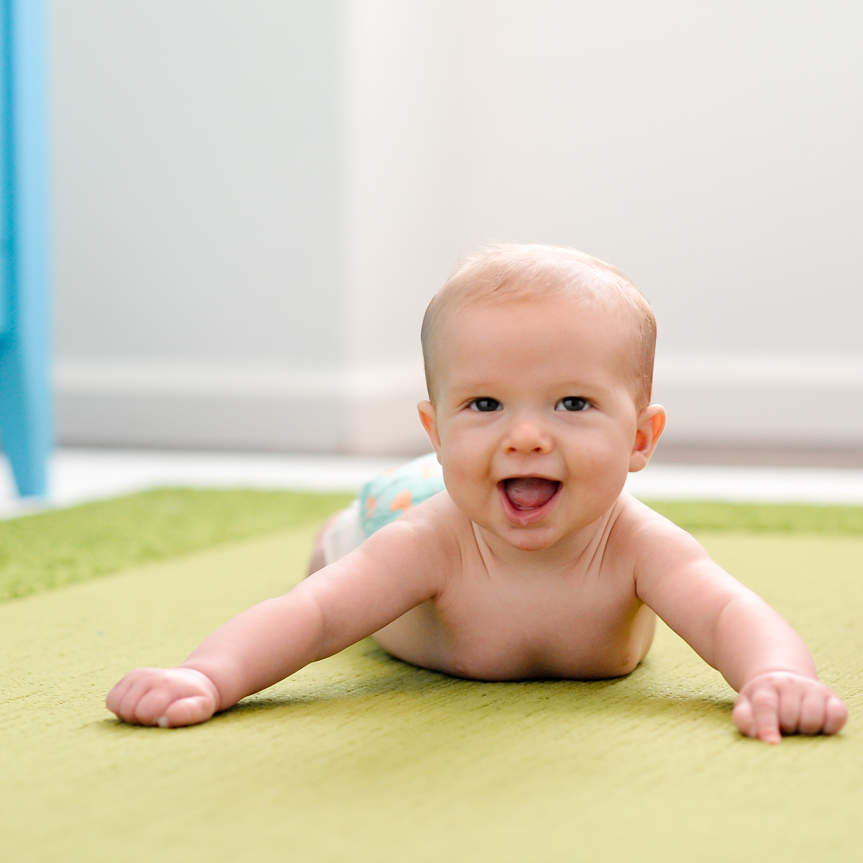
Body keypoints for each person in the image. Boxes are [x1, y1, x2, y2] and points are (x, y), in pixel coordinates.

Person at [107, 244, 848, 743]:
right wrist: (205, 674)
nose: (525, 437)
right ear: (435, 427)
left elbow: (728, 613)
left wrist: (777, 676)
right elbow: (315, 614)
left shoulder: (638, 543)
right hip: (396, 507)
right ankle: (342, 524)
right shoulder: (430, 540)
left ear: (639, 440)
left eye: (571, 404)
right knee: (340, 559)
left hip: (455, 486)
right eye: (485, 405)